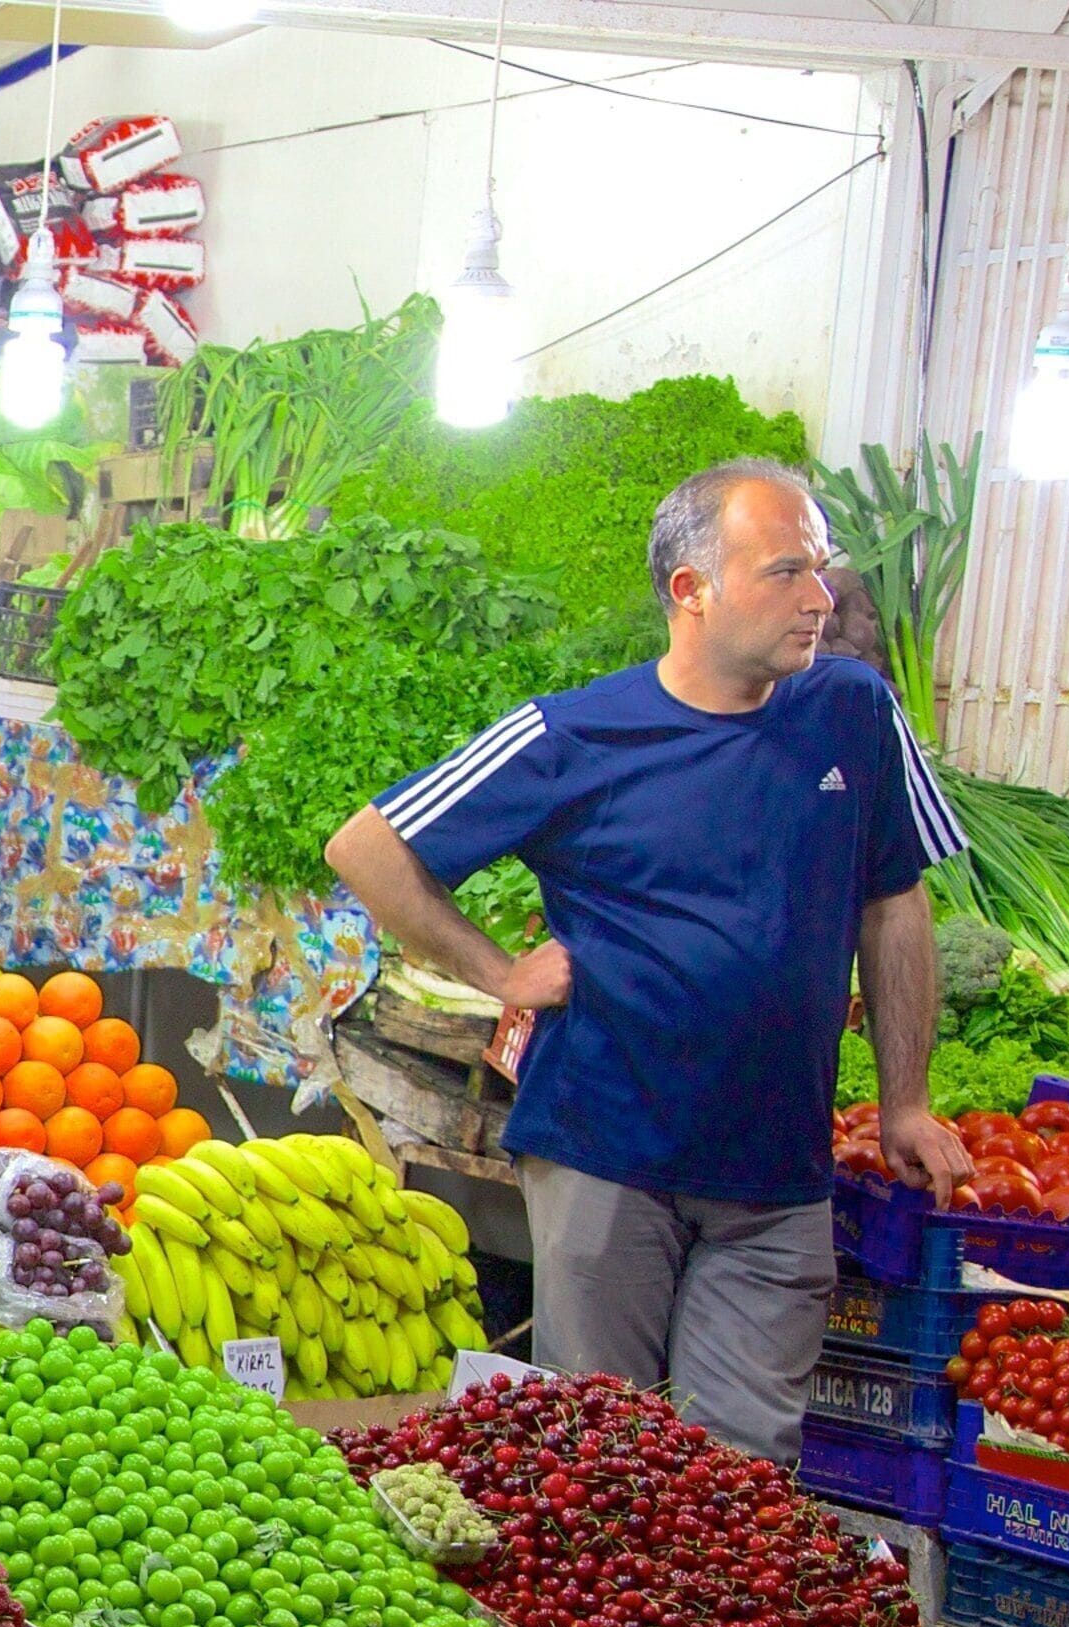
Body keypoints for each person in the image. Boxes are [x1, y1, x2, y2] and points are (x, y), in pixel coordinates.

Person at [325, 460, 972, 1463]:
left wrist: (907, 1102)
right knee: (604, 1459)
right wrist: (497, 973)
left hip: (777, 1173)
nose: (820, 599)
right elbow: (367, 849)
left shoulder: (852, 711)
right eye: (787, 572)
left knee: (746, 1473)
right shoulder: (573, 734)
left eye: (822, 568)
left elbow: (894, 902)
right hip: (605, 1156)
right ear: (690, 589)